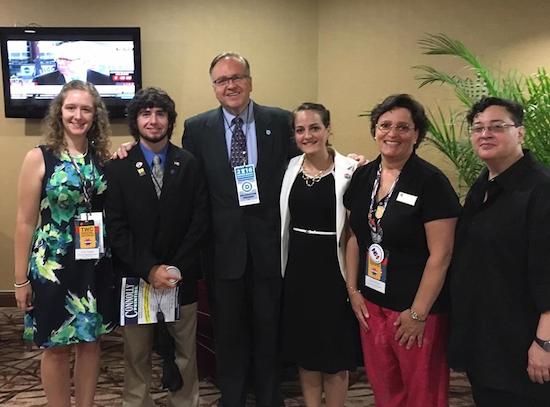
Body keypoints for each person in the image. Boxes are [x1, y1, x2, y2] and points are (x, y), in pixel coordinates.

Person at [181, 52, 296, 407]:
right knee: (228, 333)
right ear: (214, 87)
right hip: (222, 250)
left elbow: (304, 162)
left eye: (237, 77)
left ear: (250, 79)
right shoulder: (197, 128)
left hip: (268, 247)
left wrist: (345, 161)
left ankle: (268, 396)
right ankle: (232, 398)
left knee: (268, 328)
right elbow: (187, 182)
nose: (230, 85)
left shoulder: (280, 121)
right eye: (221, 80)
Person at [344, 94, 460, 407]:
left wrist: (418, 313)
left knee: (423, 394)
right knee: (385, 389)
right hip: (372, 305)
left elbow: (442, 255)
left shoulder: (431, 182)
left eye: (403, 127)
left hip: (414, 310)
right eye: (385, 125)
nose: (392, 133)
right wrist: (353, 290)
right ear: (374, 130)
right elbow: (355, 236)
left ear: (417, 134)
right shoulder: (363, 177)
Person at [13, 80, 115, 407]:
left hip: (94, 262)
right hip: (52, 266)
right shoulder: (39, 157)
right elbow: (25, 221)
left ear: (95, 115)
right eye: (71, 108)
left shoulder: (103, 159)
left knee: (90, 343)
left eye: (86, 109)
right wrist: (20, 280)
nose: (78, 115)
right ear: (59, 112)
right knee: (55, 346)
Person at [104, 87, 208, 407]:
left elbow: (199, 221)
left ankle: (185, 402)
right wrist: (150, 269)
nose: (153, 120)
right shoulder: (118, 167)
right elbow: (117, 229)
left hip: (181, 277)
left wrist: (172, 269)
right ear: (135, 121)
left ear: (169, 120)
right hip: (137, 278)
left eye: (160, 113)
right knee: (136, 356)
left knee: (184, 355)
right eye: (145, 113)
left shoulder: (188, 163)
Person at [448, 97, 550, 406]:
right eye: (478, 128)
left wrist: (544, 344)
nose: (485, 134)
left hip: (524, 342)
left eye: (497, 126)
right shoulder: (483, 185)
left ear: (520, 133)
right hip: (485, 338)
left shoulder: (541, 189)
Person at [280, 103, 358, 406]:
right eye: (300, 130)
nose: (307, 135)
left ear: (328, 130)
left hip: (334, 270)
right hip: (298, 269)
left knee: (334, 353)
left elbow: (353, 231)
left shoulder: (350, 171)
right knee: (306, 351)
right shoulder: (290, 169)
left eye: (314, 127)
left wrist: (353, 285)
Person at [34, 41, 115, 85]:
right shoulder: (43, 81)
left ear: (84, 61)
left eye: (67, 59)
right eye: (59, 59)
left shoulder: (105, 80)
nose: (61, 63)